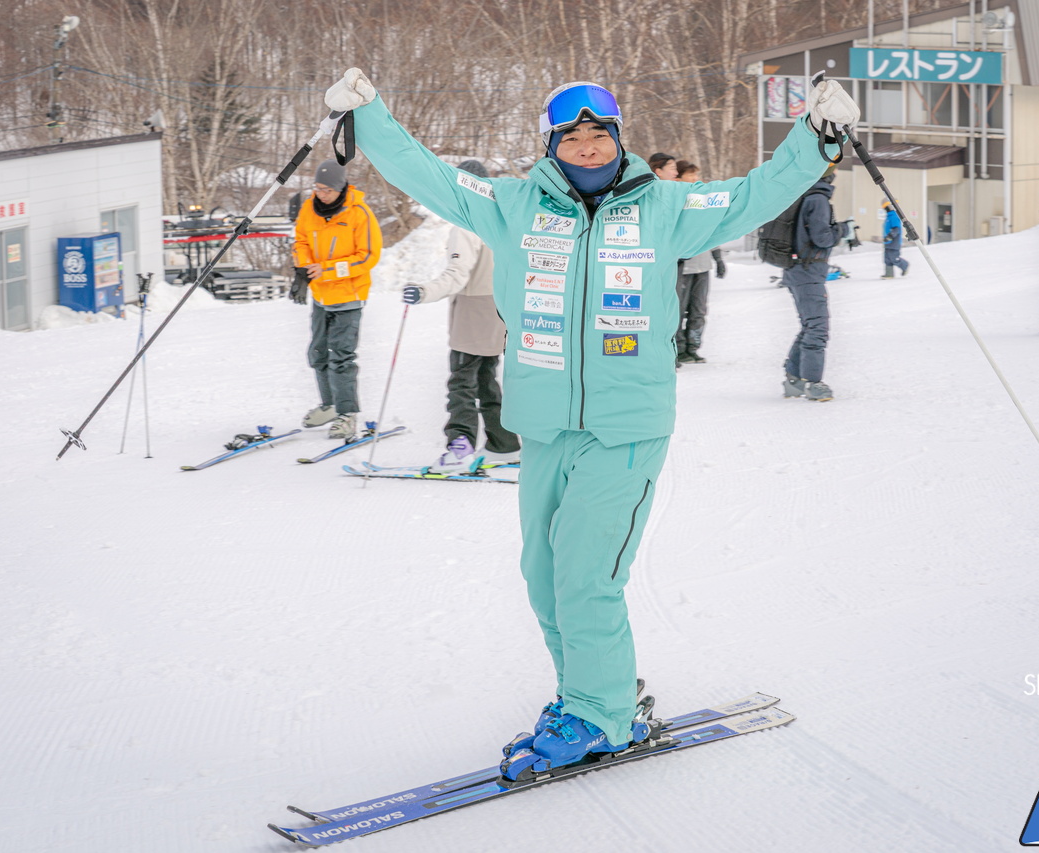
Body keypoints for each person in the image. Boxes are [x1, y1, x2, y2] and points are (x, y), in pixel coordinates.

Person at [322, 68, 858, 775]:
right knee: (543, 573)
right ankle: (588, 693)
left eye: (597, 131)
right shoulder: (513, 204)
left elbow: (751, 193)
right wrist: (370, 120)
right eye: (569, 133)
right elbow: (433, 177)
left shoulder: (665, 206)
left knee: (584, 574)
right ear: (551, 142)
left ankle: (602, 716)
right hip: (545, 424)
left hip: (626, 425)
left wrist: (815, 138)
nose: (585, 143)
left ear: (616, 137)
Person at [402, 160, 522, 472]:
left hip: (473, 312)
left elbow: (457, 274)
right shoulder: (501, 217)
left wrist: (424, 291)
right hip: (498, 309)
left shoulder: (467, 224)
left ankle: (460, 447)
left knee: (461, 383)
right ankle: (504, 444)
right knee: (485, 381)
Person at [293, 160, 383, 439]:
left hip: (349, 297)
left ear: (340, 186)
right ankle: (330, 405)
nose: (321, 194)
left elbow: (367, 256)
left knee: (341, 357)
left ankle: (347, 414)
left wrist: (329, 270)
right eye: (317, 188)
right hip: (320, 294)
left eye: (327, 190)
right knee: (318, 353)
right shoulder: (309, 208)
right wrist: (302, 270)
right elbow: (301, 241)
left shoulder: (359, 214)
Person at [781, 167, 844, 402]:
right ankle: (813, 384)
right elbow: (823, 238)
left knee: (809, 325)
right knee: (818, 327)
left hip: (796, 270)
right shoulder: (818, 199)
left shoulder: (802, 195)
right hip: (807, 271)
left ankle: (794, 379)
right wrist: (843, 229)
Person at [673, 160, 725, 364]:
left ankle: (693, 347)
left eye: (696, 175)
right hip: (682, 267)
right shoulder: (675, 200)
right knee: (678, 310)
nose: (695, 179)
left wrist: (718, 258)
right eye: (690, 175)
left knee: (699, 310)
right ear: (679, 178)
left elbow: (711, 230)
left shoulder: (702, 200)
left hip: (702, 267)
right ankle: (678, 348)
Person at [879, 199, 909, 278]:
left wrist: (890, 236)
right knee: (887, 259)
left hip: (894, 242)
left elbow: (896, 229)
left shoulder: (894, 216)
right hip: (887, 242)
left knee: (894, 258)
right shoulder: (888, 217)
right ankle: (889, 274)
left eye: (886, 208)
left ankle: (905, 266)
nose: (885, 210)